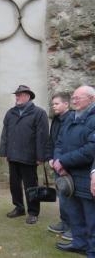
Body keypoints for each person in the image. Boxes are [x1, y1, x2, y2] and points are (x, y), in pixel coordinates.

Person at [53, 86, 95, 256]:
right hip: (68, 175)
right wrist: (57, 161)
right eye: (73, 98)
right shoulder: (71, 117)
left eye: (79, 98)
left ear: (91, 99)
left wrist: (63, 161)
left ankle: (92, 250)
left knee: (91, 217)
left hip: (86, 176)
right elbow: (60, 142)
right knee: (74, 213)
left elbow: (91, 149)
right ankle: (79, 243)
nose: (74, 101)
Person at [0, 85, 49, 224]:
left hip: (29, 156)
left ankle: (33, 212)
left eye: (20, 94)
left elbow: (42, 136)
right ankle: (19, 207)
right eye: (16, 94)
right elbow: (5, 134)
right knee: (14, 184)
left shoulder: (39, 113)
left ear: (28, 96)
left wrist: (41, 157)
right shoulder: (11, 113)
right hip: (13, 155)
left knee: (31, 186)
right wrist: (4, 151)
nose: (17, 97)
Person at [45, 92, 72, 240]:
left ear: (66, 104)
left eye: (56, 103)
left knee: (71, 195)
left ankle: (74, 227)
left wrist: (63, 161)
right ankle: (65, 222)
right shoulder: (56, 120)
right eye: (53, 104)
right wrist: (50, 157)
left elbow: (70, 143)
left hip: (67, 164)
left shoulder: (72, 119)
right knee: (62, 194)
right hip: (56, 163)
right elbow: (52, 141)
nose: (53, 106)